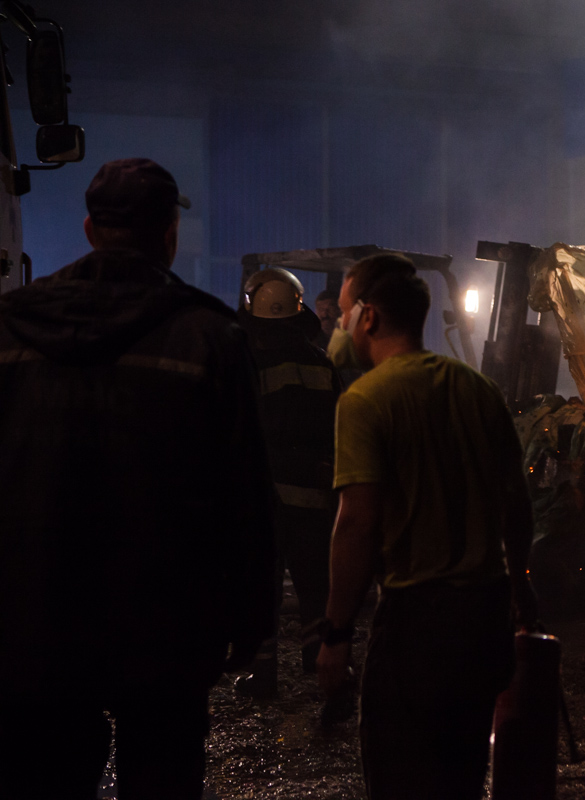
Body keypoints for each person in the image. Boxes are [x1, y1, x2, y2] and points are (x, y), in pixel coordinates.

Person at [0, 158, 275, 799]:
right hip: (166, 630)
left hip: (34, 620)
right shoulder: (209, 336)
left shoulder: (9, 328)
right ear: (169, 234)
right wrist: (251, 619)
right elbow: (245, 494)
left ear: (90, 229)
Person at [315, 253, 538, 800]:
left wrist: (336, 634)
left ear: (368, 317)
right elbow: (516, 503)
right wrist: (520, 587)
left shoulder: (365, 400)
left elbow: (357, 523)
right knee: (461, 779)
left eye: (343, 313)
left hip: (418, 626)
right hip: (483, 622)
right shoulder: (478, 390)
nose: (339, 326)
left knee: (402, 778)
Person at [234, 267, 340, 699]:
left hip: (264, 498)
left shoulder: (248, 364)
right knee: (315, 584)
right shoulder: (320, 362)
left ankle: (263, 676)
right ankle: (317, 661)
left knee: (262, 587)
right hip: (313, 495)